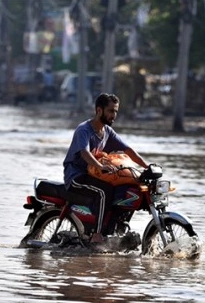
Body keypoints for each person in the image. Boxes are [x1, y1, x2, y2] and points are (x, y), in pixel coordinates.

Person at [63, 93, 149, 244]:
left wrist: (147, 167)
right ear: (99, 110)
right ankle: (97, 234)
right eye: (110, 111)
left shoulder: (107, 132)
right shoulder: (84, 130)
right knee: (104, 192)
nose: (113, 115)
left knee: (124, 190)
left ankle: (114, 228)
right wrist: (100, 166)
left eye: (116, 111)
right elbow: (84, 152)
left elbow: (128, 150)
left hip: (95, 175)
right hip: (76, 175)